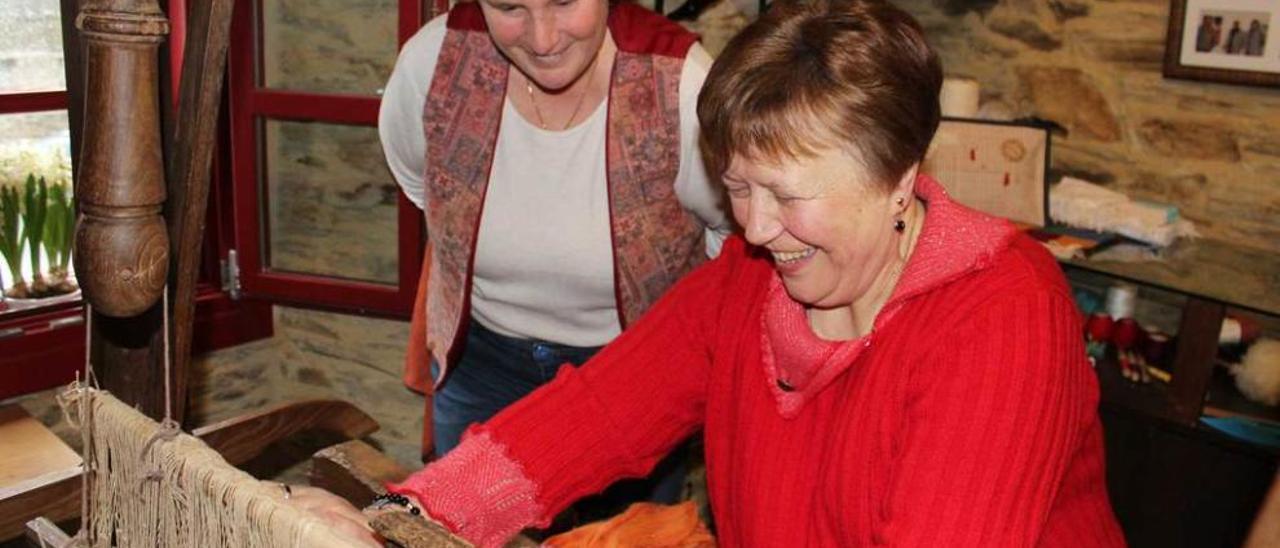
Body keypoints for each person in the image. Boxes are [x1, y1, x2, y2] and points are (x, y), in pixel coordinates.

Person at [299, 0, 1125, 545]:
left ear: (898, 175)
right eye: (736, 190)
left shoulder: (1002, 315)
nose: (757, 230)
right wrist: (406, 516)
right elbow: (592, 417)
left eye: (787, 196)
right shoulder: (745, 283)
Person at [377, 0, 731, 511]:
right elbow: (420, 182)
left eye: (564, 2)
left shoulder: (681, 83)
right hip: (480, 363)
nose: (543, 40)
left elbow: (731, 232)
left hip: (627, 379)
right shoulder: (432, 64)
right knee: (463, 524)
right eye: (509, 7)